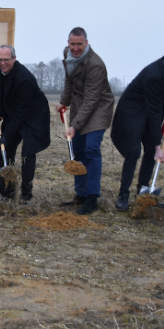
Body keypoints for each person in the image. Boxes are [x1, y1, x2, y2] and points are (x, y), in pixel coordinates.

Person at [110, 43, 164, 211]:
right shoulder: (155, 74)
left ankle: (143, 192)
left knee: (150, 151)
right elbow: (154, 112)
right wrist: (158, 145)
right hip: (131, 110)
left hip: (148, 109)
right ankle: (123, 195)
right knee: (134, 152)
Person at [55, 28, 115, 214]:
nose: (75, 48)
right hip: (80, 106)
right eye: (72, 44)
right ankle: (80, 194)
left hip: (98, 108)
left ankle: (92, 198)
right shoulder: (67, 55)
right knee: (77, 150)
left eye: (79, 44)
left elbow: (91, 101)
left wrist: (74, 126)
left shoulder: (95, 64)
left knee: (91, 150)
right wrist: (64, 102)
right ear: (68, 42)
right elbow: (69, 81)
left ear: (86, 43)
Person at [0, 45, 51, 204]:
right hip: (16, 113)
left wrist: (5, 135)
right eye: (0, 60)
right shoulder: (0, 70)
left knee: (27, 154)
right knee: (5, 150)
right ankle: (7, 194)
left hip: (34, 116)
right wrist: (1, 112)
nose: (2, 63)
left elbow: (21, 113)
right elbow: (2, 93)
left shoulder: (24, 78)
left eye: (6, 60)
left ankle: (26, 196)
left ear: (14, 59)